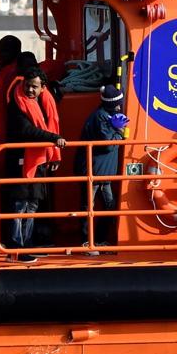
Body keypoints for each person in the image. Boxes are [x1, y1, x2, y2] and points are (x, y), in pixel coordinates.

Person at [3, 67, 67, 262]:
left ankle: (26, 244)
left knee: (31, 204)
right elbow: (27, 130)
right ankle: (16, 246)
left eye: (34, 87)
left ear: (42, 88)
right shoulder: (17, 104)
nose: (29, 90)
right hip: (21, 161)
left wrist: (53, 154)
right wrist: (53, 138)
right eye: (27, 86)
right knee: (20, 205)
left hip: (37, 161)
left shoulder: (39, 102)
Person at [73, 85, 128, 253]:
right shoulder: (100, 117)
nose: (120, 107)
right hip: (93, 172)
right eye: (117, 104)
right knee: (88, 208)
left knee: (107, 207)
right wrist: (119, 131)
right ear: (112, 104)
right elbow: (107, 145)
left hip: (101, 174)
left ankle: (99, 240)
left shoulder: (104, 116)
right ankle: (86, 242)